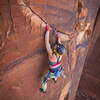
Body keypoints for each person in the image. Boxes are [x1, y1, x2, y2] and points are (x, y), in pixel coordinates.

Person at [40, 25, 70, 93]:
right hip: (58, 70)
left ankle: (44, 90)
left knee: (43, 80)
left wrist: (47, 31)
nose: (55, 45)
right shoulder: (60, 54)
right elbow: (59, 44)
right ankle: (55, 78)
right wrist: (58, 37)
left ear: (56, 50)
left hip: (53, 72)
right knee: (56, 74)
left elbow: (47, 43)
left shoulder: (52, 56)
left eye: (56, 46)